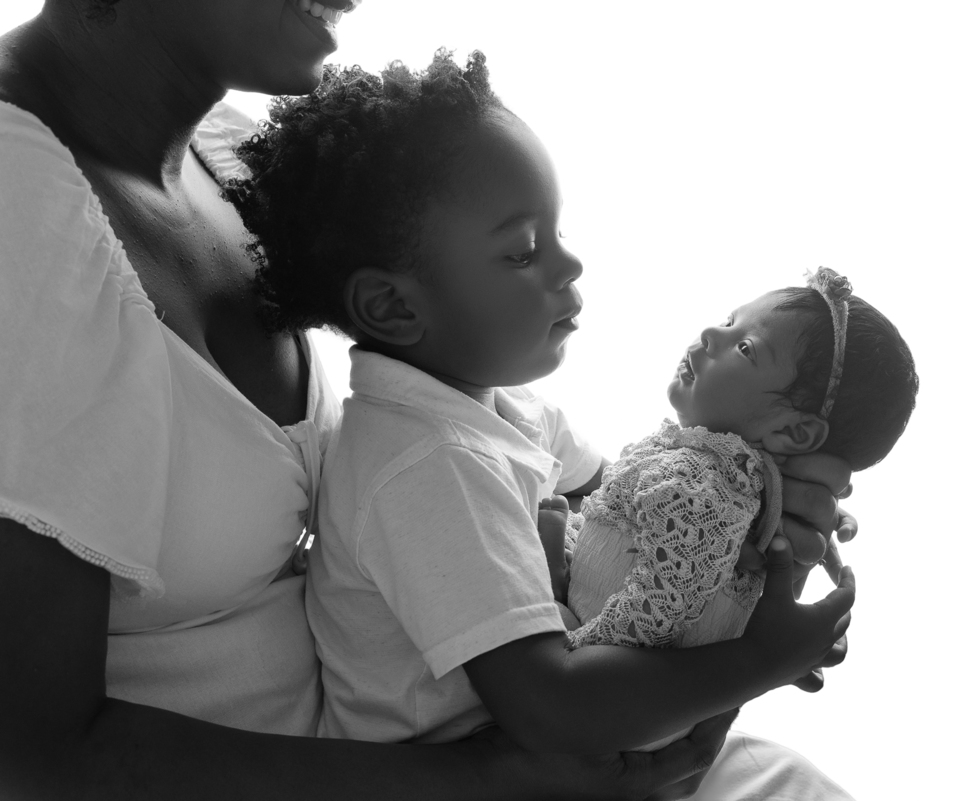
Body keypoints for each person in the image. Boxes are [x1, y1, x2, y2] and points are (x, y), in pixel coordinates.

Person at [0, 2, 857, 798]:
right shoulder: (25, 223)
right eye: (523, 250)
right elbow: (32, 756)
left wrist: (737, 502)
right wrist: (497, 777)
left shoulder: (232, 155)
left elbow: (569, 482)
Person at [224, 51, 857, 798]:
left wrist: (760, 503)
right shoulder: (425, 464)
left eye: (556, 233)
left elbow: (627, 500)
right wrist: (760, 660)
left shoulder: (505, 406)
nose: (569, 264)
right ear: (394, 307)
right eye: (524, 250)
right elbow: (555, 710)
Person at [557, 270, 918, 750]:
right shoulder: (711, 472)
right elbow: (617, 537)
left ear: (793, 432)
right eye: (729, 321)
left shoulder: (703, 487)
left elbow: (659, 609)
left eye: (746, 348)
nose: (711, 334)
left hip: (611, 698)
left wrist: (566, 646)